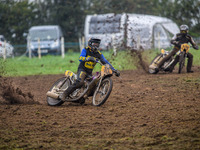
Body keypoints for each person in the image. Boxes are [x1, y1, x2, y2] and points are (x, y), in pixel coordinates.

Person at [60, 37, 120, 102]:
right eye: (94, 44)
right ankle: (64, 94)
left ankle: (82, 97)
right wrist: (88, 58)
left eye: (97, 44)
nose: (96, 46)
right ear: (90, 43)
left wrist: (114, 70)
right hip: (82, 69)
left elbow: (105, 62)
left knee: (92, 87)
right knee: (80, 82)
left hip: (89, 73)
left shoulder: (98, 54)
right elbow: (80, 58)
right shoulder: (85, 50)